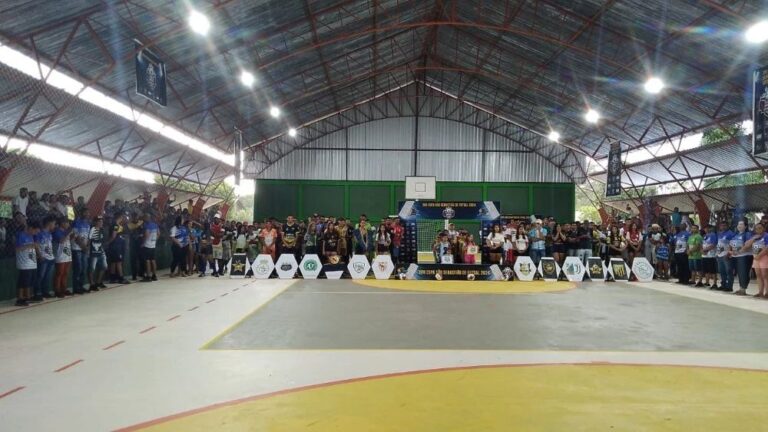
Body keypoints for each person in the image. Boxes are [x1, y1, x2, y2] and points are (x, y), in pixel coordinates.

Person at [15, 221, 40, 306]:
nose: (36, 233)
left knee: (29, 280)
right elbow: (17, 249)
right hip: (24, 263)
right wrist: (30, 245)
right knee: (23, 281)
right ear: (31, 228)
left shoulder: (31, 236)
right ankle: (20, 298)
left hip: (31, 262)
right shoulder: (21, 235)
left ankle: (27, 297)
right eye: (35, 231)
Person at [32, 216, 56, 301]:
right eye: (53, 223)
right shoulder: (40, 233)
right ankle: (37, 293)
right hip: (43, 257)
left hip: (50, 257)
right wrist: (40, 255)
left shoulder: (49, 234)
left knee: (47, 276)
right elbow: (36, 245)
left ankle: (45, 292)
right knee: (40, 276)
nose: (54, 225)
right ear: (49, 223)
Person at [743, 222, 768, 298]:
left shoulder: (766, 236)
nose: (758, 230)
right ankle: (760, 292)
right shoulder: (754, 237)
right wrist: (753, 239)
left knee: (765, 275)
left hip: (764, 257)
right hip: (756, 258)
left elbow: (767, 248)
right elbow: (746, 245)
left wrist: (759, 255)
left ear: (764, 228)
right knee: (758, 275)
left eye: (760, 228)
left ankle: (767, 292)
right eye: (756, 229)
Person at [70, 208, 91, 294]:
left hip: (84, 248)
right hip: (77, 248)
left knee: (84, 268)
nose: (87, 214)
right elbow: (76, 236)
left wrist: (87, 246)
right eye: (86, 212)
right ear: (82, 213)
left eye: (88, 213)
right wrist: (83, 246)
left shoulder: (88, 224)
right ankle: (76, 288)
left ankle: (81, 286)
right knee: (78, 268)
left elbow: (88, 236)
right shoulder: (76, 222)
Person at [730, 220, 752, 296]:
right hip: (736, 256)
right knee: (739, 273)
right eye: (738, 224)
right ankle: (741, 288)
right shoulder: (735, 235)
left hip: (744, 256)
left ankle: (743, 289)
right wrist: (731, 252)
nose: (739, 226)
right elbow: (731, 245)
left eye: (741, 224)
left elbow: (748, 245)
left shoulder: (747, 234)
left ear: (745, 226)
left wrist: (739, 252)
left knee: (744, 272)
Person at [52, 217, 73, 297]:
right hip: (60, 255)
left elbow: (68, 240)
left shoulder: (65, 231)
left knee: (66, 273)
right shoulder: (57, 231)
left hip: (67, 254)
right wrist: (69, 233)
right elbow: (61, 240)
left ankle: (63, 289)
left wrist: (73, 236)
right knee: (59, 273)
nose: (68, 224)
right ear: (62, 223)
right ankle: (57, 290)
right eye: (67, 223)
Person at [106, 214, 129, 284]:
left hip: (115, 246)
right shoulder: (115, 225)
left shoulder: (115, 225)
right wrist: (108, 243)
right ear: (120, 217)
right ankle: (121, 278)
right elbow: (113, 236)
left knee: (113, 262)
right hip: (116, 246)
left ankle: (112, 278)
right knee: (119, 262)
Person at [88, 216, 107, 291]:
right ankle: (92, 284)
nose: (101, 223)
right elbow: (89, 239)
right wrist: (88, 249)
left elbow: (102, 240)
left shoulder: (102, 230)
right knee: (92, 268)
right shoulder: (92, 229)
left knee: (104, 266)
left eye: (102, 221)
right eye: (99, 221)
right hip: (94, 251)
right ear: (95, 222)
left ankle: (98, 282)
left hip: (101, 251)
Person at [715, 220, 734, 292]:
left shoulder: (730, 233)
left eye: (724, 225)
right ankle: (723, 285)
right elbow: (718, 245)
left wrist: (729, 253)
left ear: (727, 226)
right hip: (719, 255)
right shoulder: (719, 234)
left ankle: (729, 286)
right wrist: (717, 254)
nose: (723, 227)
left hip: (726, 255)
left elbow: (732, 245)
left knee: (728, 271)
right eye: (721, 226)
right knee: (722, 271)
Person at [141, 213, 159, 282]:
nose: (143, 219)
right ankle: (154, 275)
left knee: (147, 261)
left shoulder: (147, 225)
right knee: (153, 260)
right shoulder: (155, 225)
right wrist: (154, 240)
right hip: (153, 245)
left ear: (146, 217)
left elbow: (146, 235)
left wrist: (143, 243)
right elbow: (159, 234)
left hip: (147, 245)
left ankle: (148, 276)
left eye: (144, 217)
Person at [128, 213, 144, 281]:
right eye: (134, 217)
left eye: (136, 216)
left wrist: (141, 235)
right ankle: (134, 275)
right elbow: (131, 228)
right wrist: (139, 224)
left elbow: (144, 232)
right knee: (133, 260)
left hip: (140, 243)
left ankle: (141, 273)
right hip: (133, 244)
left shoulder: (141, 223)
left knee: (142, 259)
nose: (135, 218)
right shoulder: (130, 224)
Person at [701, 225, 719, 289]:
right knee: (706, 270)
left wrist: (705, 250)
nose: (706, 229)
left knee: (713, 270)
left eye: (708, 228)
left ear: (711, 228)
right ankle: (707, 282)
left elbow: (713, 245)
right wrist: (702, 251)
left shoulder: (713, 235)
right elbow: (702, 244)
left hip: (711, 255)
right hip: (704, 255)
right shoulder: (704, 236)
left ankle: (715, 283)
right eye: (705, 228)